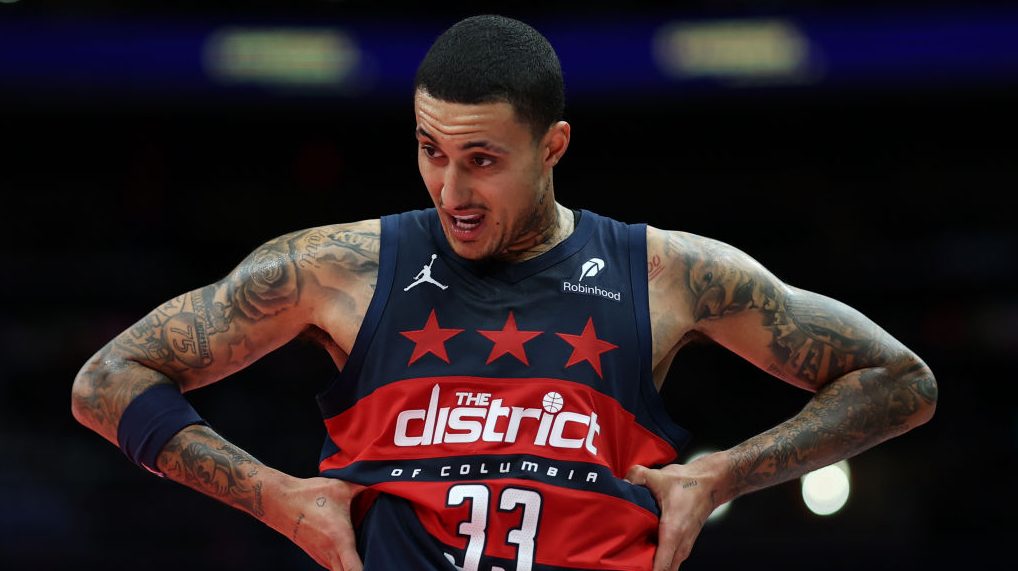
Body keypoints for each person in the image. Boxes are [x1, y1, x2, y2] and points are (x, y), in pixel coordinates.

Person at [71, 14, 938, 571]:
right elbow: (107, 380)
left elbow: (901, 381)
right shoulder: (340, 267)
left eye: (481, 159)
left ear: (552, 145)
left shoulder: (665, 271)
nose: (450, 189)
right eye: (430, 150)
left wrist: (722, 475)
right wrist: (277, 498)